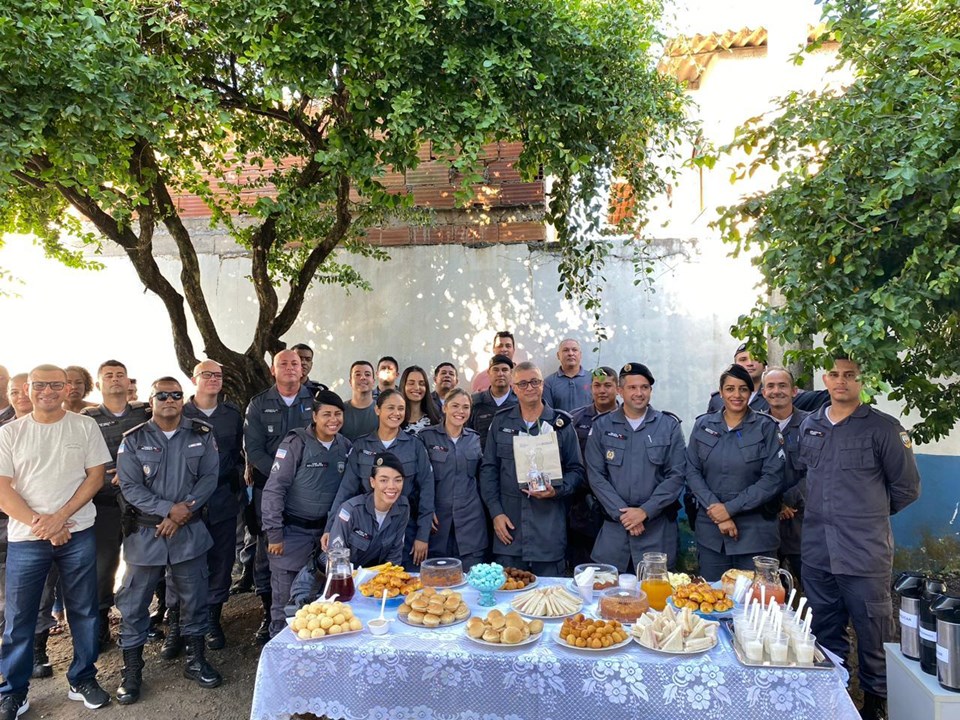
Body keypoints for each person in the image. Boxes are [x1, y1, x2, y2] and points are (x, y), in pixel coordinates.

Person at [797, 358, 920, 720]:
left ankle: (876, 703)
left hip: (864, 552)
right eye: (835, 375)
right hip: (817, 551)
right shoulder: (811, 425)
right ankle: (833, 699)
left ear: (861, 381)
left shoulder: (884, 428)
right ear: (825, 379)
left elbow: (907, 488)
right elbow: (805, 476)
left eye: (849, 375)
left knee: (874, 632)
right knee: (823, 628)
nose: (841, 381)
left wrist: (867, 515)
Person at [0, 365, 113, 716]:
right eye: (39, 385)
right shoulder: (9, 433)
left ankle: (82, 678)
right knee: (19, 618)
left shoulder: (85, 426)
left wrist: (60, 518)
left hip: (77, 533)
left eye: (54, 385)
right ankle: (14, 691)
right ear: (27, 389)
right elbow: (2, 490)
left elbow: (95, 477)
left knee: (84, 610)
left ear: (66, 389)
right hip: (27, 538)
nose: (46, 391)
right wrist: (44, 524)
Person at [115, 377, 221, 704]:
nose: (169, 400)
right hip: (147, 534)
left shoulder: (201, 434)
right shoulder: (134, 439)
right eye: (162, 395)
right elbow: (130, 487)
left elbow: (209, 478)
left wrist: (181, 512)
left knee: (194, 598)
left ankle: (196, 660)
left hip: (188, 531)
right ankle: (132, 671)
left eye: (176, 394)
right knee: (134, 603)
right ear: (151, 402)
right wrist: (166, 510)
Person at [479, 361, 584, 576]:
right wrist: (496, 513)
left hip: (548, 530)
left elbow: (577, 470)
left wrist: (557, 490)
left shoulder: (560, 424)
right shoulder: (501, 422)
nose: (530, 388)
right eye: (523, 383)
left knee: (549, 595)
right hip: (510, 529)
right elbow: (489, 470)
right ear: (514, 388)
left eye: (535, 382)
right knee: (509, 591)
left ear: (543, 384)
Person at [261, 390, 351, 637]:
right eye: (326, 414)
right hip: (292, 535)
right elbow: (274, 489)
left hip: (326, 536)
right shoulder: (296, 444)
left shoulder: (345, 446)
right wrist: (274, 533)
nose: (333, 420)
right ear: (314, 416)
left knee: (323, 605)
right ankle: (278, 649)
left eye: (338, 414)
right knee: (286, 605)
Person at [684, 364, 785, 581]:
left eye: (743, 389)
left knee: (756, 597)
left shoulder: (766, 427)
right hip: (712, 535)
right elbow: (692, 471)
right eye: (730, 389)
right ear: (721, 393)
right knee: (712, 595)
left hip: (755, 535)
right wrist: (717, 512)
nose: (736, 395)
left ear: (751, 393)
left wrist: (729, 509)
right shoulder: (703, 425)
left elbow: (772, 479)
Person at [243, 349, 314, 643]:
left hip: (309, 489)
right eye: (283, 363)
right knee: (268, 549)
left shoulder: (316, 399)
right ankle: (268, 612)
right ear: (273, 370)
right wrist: (280, 476)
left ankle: (309, 609)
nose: (290, 368)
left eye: (295, 363)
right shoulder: (259, 404)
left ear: (303, 369)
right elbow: (254, 449)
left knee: (309, 548)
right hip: (269, 489)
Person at [585, 363, 686, 571]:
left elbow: (676, 475)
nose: (639, 393)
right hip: (614, 534)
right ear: (620, 391)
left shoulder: (668, 426)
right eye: (632, 387)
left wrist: (644, 511)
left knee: (656, 589)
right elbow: (595, 475)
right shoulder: (602, 426)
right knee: (609, 589)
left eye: (644, 387)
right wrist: (625, 515)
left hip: (656, 533)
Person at [80, 360, 152, 647]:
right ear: (99, 384)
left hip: (141, 504)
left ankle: (147, 618)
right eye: (108, 375)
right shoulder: (87, 418)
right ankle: (100, 623)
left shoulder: (145, 412)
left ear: (128, 381)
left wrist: (131, 472)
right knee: (103, 566)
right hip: (104, 505)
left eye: (120, 375)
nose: (115, 379)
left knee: (146, 563)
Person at [322, 389, 434, 568]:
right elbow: (346, 489)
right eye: (390, 407)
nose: (396, 413)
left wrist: (423, 535)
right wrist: (330, 527)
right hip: (365, 530)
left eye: (401, 408)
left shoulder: (415, 446)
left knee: (400, 578)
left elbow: (427, 490)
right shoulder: (361, 445)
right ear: (377, 410)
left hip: (404, 528)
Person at [288, 453, 410, 610]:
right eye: (383, 480)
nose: (392, 486)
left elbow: (394, 560)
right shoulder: (350, 510)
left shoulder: (402, 509)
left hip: (361, 586)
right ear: (372, 482)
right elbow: (336, 561)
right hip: (322, 584)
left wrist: (385, 586)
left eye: (398, 480)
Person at [1, 374, 62, 682]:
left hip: (40, 527)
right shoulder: (6, 432)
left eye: (24, 390)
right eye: (14, 392)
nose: (21, 396)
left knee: (41, 592)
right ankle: (10, 661)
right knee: (7, 598)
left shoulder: (57, 429)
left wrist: (42, 522)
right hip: (7, 523)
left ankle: (38, 651)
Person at [181, 360, 244, 651]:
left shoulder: (231, 414)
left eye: (218, 375)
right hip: (187, 501)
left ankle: (212, 619)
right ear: (194, 379)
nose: (213, 379)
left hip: (222, 498)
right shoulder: (180, 412)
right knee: (185, 563)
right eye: (206, 375)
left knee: (221, 561)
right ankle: (183, 624)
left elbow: (239, 453)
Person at [419, 389, 488, 570]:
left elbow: (483, 477)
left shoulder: (474, 439)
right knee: (438, 580)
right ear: (445, 408)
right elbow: (420, 481)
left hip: (470, 524)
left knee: (472, 580)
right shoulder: (426, 437)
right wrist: (426, 510)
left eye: (466, 407)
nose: (460, 411)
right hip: (438, 525)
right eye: (455, 406)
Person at [760, 367, 809, 591]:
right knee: (767, 590)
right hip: (765, 519)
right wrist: (776, 503)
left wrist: (788, 499)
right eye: (770, 386)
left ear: (794, 391)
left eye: (782, 385)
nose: (776, 390)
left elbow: (817, 470)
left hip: (802, 520)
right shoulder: (754, 425)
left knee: (813, 589)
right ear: (763, 392)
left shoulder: (811, 425)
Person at [567, 367, 619, 568]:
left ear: (618, 388)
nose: (602, 390)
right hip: (583, 505)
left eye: (608, 385)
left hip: (618, 503)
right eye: (597, 385)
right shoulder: (575, 419)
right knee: (584, 566)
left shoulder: (628, 418)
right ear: (591, 388)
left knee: (613, 566)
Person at [468, 354, 517, 450]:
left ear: (511, 373)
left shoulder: (519, 403)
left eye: (504, 370)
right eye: (495, 370)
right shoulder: (475, 402)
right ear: (488, 373)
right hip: (481, 457)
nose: (500, 374)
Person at [706, 344, 769, 414]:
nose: (750, 363)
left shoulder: (771, 396)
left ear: (764, 366)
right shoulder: (717, 400)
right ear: (735, 365)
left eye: (756, 359)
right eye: (743, 359)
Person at [542, 339, 592, 412]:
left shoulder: (592, 379)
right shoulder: (549, 383)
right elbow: (547, 413)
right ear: (558, 355)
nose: (571, 353)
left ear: (580, 354)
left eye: (574, 350)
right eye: (566, 350)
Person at [342, 361, 378, 441]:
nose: (363, 377)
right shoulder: (340, 410)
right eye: (358, 374)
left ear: (373, 382)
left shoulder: (382, 411)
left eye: (367, 374)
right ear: (350, 382)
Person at [399, 365, 441, 436]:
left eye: (421, 384)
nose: (417, 387)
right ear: (403, 385)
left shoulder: (435, 420)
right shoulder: (395, 419)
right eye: (411, 383)